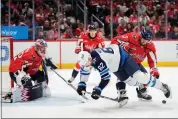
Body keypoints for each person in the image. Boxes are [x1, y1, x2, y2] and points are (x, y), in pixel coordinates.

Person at [76, 44, 171, 107]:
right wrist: (82, 85)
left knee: (139, 76)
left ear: (89, 59)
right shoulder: (89, 58)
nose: (85, 66)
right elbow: (85, 71)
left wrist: (98, 89)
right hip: (116, 66)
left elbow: (106, 78)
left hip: (123, 58)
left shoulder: (98, 60)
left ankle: (162, 86)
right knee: (132, 82)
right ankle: (140, 84)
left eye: (86, 64)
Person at [111, 28, 158, 100]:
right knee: (122, 76)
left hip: (136, 63)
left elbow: (152, 60)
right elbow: (115, 39)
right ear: (140, 36)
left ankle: (141, 92)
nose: (144, 41)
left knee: (145, 77)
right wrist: (120, 44)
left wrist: (154, 70)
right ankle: (121, 92)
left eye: (147, 40)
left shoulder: (150, 46)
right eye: (143, 38)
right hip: (125, 61)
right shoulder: (132, 37)